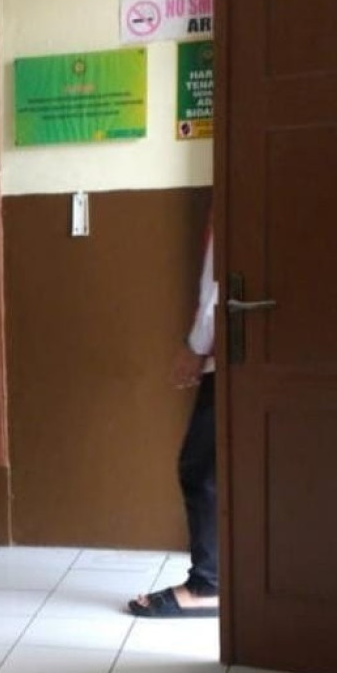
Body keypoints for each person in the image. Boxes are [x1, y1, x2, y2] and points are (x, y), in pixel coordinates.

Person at [130, 220, 219, 618]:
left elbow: (219, 280)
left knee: (201, 469)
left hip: (233, 348)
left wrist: (196, 346)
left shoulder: (237, 191)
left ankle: (209, 585)